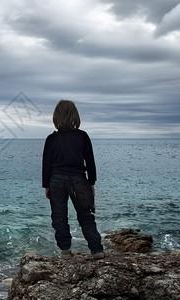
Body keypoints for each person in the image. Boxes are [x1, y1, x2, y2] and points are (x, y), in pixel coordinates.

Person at [42, 99, 104, 259]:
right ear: (75, 116)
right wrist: (92, 182)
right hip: (78, 180)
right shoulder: (82, 136)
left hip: (55, 180)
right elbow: (90, 161)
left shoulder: (52, 139)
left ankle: (65, 252)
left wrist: (46, 184)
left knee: (59, 217)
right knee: (86, 216)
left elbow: (46, 163)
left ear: (56, 117)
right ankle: (97, 251)